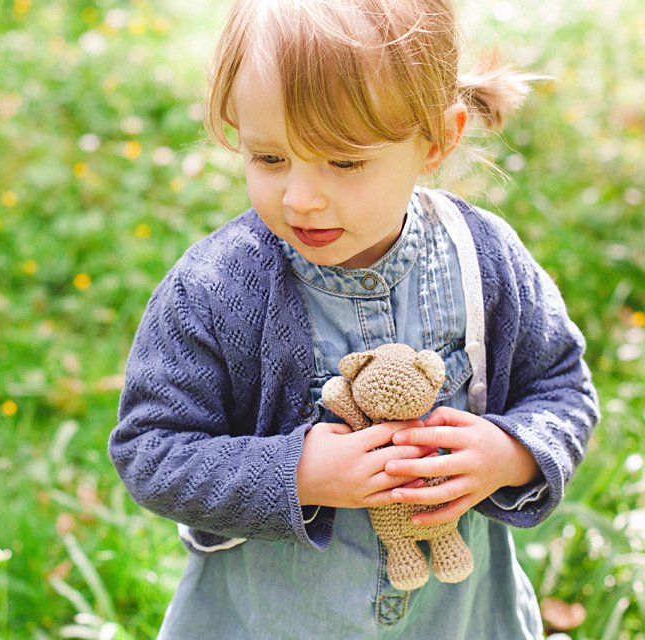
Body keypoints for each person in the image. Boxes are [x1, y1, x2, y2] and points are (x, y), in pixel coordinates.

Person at [108, 0, 599, 637]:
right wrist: (298, 473)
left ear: (437, 140)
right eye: (269, 158)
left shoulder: (484, 259)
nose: (301, 198)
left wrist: (511, 454)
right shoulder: (215, 289)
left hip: (457, 617)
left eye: (344, 162)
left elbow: (562, 389)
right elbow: (152, 450)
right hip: (273, 618)